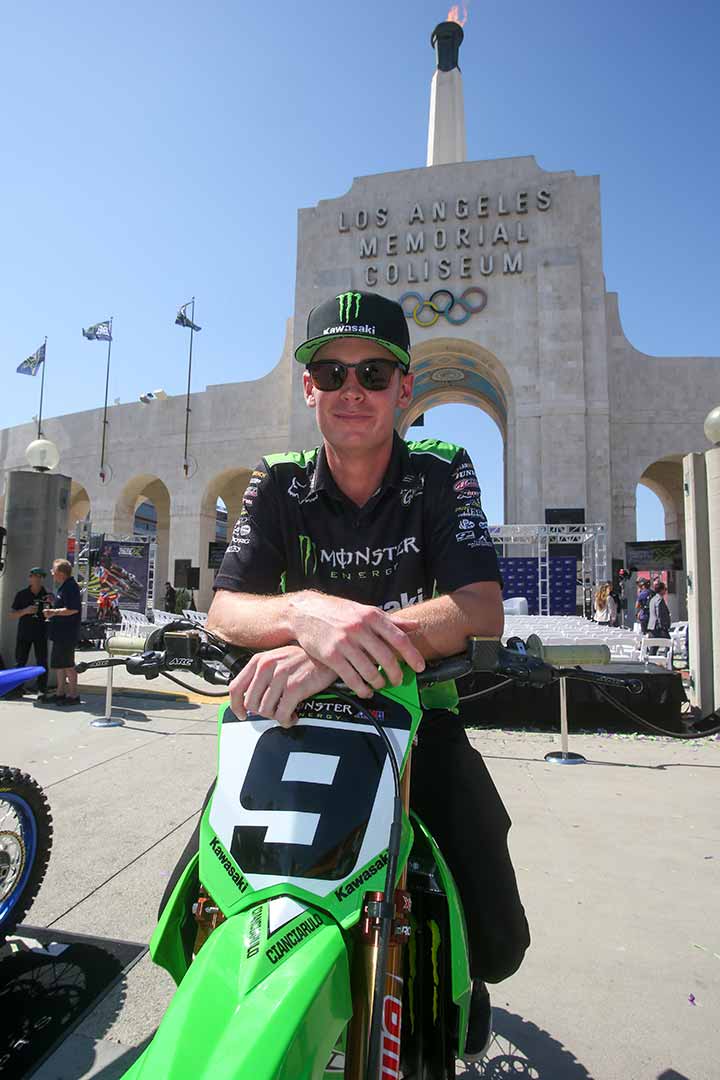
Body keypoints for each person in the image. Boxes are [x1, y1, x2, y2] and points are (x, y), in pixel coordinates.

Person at [185, 289, 529, 1059]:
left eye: (374, 373)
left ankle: (460, 982)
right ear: (308, 387)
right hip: (290, 725)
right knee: (191, 909)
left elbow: (481, 607)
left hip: (417, 718)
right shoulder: (276, 479)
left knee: (497, 932)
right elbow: (225, 610)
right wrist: (306, 611)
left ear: (406, 389)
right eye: (332, 373)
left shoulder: (442, 470)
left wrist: (329, 648)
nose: (352, 391)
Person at [8, 567, 51, 698]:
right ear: (30, 578)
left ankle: (42, 689)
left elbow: (53, 614)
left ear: (43, 579)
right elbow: (11, 615)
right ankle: (16, 689)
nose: (37, 580)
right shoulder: (22, 594)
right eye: (35, 577)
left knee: (42, 661)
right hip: (24, 632)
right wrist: (25, 611)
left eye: (40, 577)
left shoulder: (47, 595)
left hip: (41, 632)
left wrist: (50, 609)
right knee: (20, 661)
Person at [44, 558, 82, 705]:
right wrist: (54, 601)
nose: (52, 574)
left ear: (60, 573)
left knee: (68, 665)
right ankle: (60, 693)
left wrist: (53, 611)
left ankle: (73, 695)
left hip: (67, 633)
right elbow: (65, 604)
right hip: (59, 633)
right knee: (60, 665)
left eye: (53, 571)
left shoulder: (71, 587)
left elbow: (73, 609)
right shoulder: (63, 587)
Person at [647, 580, 671, 652]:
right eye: (664, 589)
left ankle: (651, 661)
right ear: (661, 590)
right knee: (669, 644)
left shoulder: (653, 599)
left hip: (652, 626)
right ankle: (667, 659)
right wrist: (663, 626)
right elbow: (659, 614)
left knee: (654, 647)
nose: (665, 591)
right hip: (658, 627)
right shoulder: (659, 600)